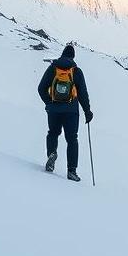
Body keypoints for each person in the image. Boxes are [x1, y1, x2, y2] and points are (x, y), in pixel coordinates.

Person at [37, 43, 93, 182]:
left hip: (54, 109)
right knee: (72, 139)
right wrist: (87, 111)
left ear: (62, 54)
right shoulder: (76, 71)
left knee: (53, 133)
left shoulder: (53, 68)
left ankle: (52, 153)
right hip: (71, 111)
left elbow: (41, 88)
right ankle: (72, 172)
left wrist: (49, 103)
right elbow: (83, 94)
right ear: (73, 56)